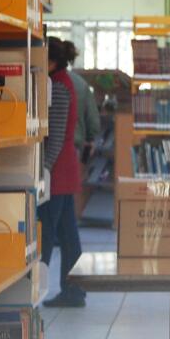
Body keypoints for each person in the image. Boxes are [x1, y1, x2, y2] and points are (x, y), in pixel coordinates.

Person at [39, 37, 86, 308]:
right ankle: (74, 289)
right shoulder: (64, 81)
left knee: (47, 231)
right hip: (65, 169)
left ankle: (42, 287)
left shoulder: (57, 86)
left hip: (56, 172)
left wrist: (44, 168)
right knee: (68, 234)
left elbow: (55, 135)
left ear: (51, 62)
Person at [63, 41, 102, 217]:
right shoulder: (80, 84)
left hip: (47, 143)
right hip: (75, 143)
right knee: (68, 192)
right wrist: (92, 138)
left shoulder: (47, 80)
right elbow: (93, 119)